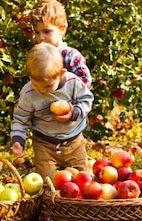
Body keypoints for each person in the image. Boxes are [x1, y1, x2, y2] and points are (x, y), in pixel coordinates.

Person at [10, 43, 94, 181]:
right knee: (47, 182)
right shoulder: (28, 93)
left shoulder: (73, 83)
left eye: (48, 86)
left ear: (61, 74)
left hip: (74, 142)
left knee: (82, 181)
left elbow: (86, 99)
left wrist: (74, 112)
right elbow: (20, 118)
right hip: (44, 144)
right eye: (36, 85)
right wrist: (18, 139)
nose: (42, 90)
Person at [28, 0, 92, 88]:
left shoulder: (70, 56)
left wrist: (66, 95)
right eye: (37, 32)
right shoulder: (37, 56)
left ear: (62, 29)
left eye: (47, 32)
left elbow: (84, 81)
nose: (41, 37)